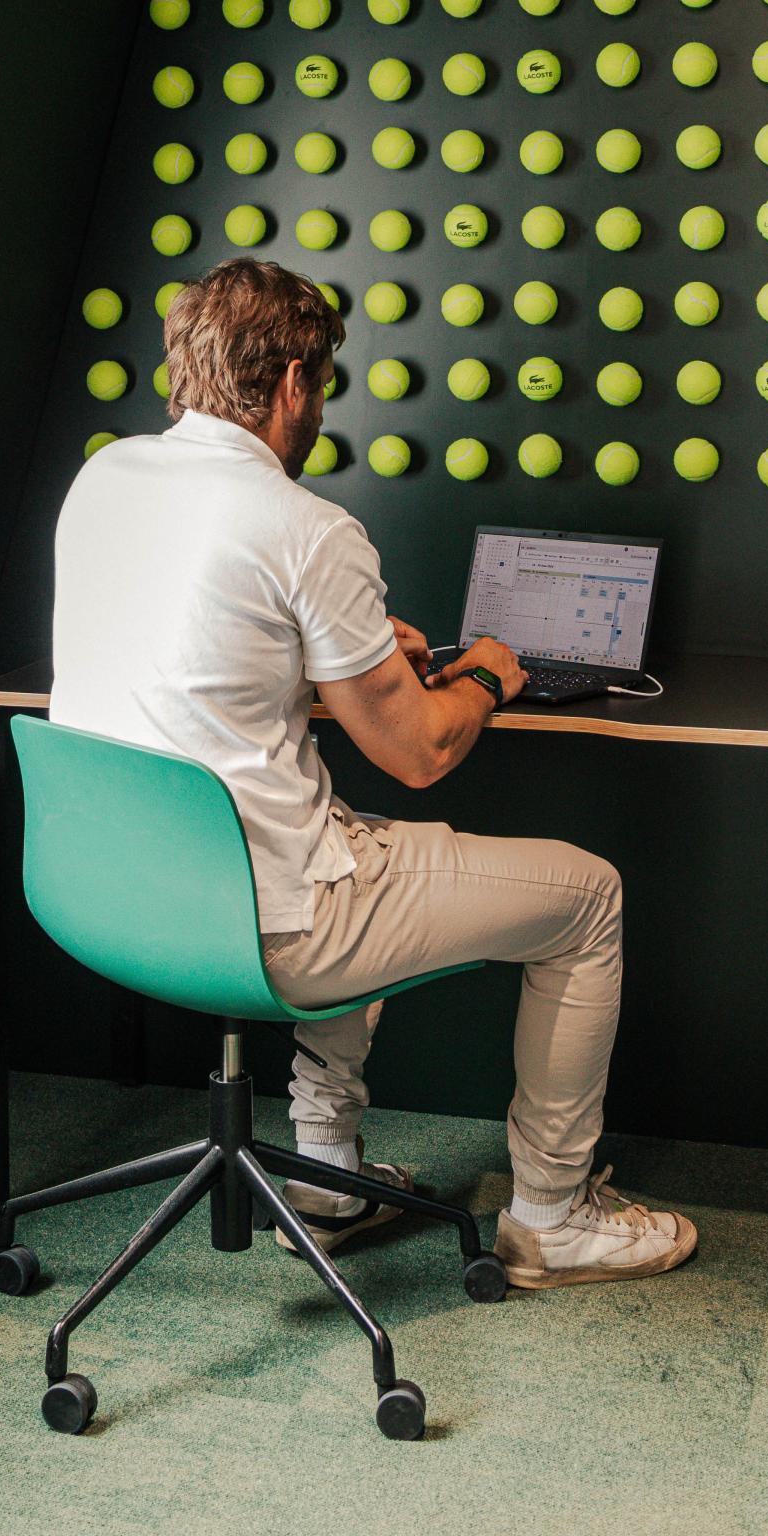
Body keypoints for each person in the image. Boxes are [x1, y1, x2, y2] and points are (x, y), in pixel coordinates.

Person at [50, 255, 695, 1290]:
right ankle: (554, 1216)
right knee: (587, 896)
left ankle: (327, 1175)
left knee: (343, 834)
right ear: (297, 384)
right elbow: (425, 750)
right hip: (274, 923)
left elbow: (197, 635)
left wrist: (334, 641)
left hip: (112, 898)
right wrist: (485, 672)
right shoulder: (308, 528)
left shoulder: (103, 480)